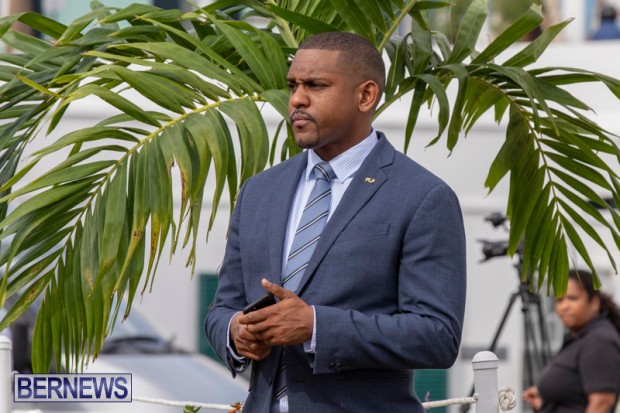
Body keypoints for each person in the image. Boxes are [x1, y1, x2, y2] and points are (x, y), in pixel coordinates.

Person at [205, 31, 467, 413]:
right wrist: (236, 333)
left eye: (316, 85)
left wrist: (316, 327)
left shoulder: (422, 197)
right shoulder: (259, 192)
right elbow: (222, 309)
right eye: (293, 85)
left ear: (366, 96)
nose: (297, 99)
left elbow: (437, 335)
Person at [522, 269, 620, 413]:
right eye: (559, 300)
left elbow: (601, 404)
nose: (564, 307)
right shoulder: (578, 338)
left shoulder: (600, 340)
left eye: (572, 298)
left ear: (594, 303)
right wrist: (546, 403)